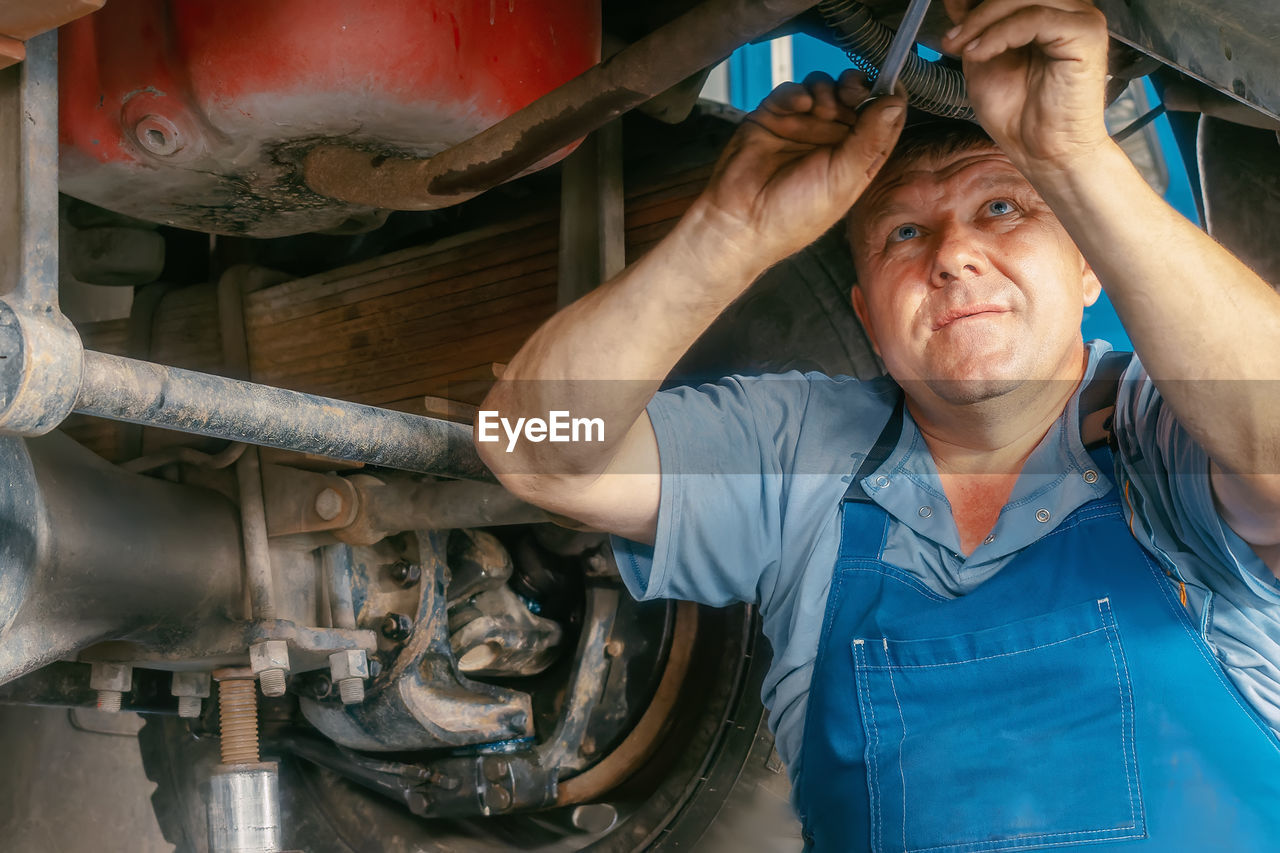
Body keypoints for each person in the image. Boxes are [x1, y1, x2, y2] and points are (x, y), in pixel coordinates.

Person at [477, 0, 1280, 848]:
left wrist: (1072, 154)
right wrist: (725, 235)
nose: (953, 254)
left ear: (1089, 266)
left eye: (1003, 208)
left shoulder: (1165, 431)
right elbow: (538, 455)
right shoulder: (803, 455)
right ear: (866, 314)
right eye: (906, 231)